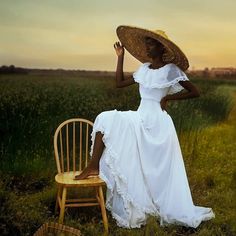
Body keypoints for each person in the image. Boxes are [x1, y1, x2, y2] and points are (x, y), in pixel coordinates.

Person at [74, 25, 215, 228]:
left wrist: (169, 98)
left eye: (151, 45)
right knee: (105, 118)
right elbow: (119, 83)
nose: (147, 48)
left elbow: (195, 91)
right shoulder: (143, 70)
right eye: (146, 44)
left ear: (162, 49)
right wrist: (120, 56)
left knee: (156, 170)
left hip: (158, 123)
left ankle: (156, 201)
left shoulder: (170, 70)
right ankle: (94, 165)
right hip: (140, 117)